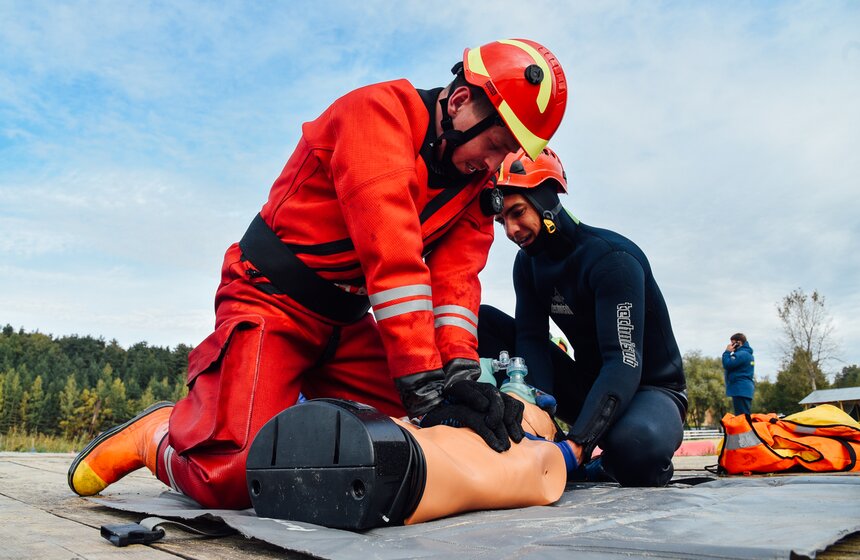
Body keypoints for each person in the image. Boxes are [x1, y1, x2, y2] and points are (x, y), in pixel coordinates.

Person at [67, 39, 569, 512]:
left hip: (344, 326)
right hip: (270, 302)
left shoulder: (477, 183)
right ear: (459, 102)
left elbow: (456, 285)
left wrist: (459, 376)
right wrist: (426, 387)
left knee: (427, 435)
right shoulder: (376, 115)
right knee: (232, 477)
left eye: (508, 154)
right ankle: (156, 435)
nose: (495, 164)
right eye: (496, 144)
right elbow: (393, 258)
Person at [479, 147, 688, 487]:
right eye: (502, 222)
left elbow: (623, 363)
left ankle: (599, 462)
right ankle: (538, 436)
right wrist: (539, 419)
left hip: (649, 390)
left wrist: (576, 448)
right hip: (590, 385)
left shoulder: (612, 259)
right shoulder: (528, 264)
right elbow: (531, 340)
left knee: (637, 448)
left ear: (545, 201)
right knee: (483, 321)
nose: (511, 231)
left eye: (518, 213)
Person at [722, 333, 755, 415]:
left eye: (733, 343)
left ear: (739, 343)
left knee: (742, 417)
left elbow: (727, 364)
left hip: (740, 388)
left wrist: (727, 352)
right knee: (743, 416)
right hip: (744, 389)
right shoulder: (747, 354)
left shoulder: (742, 354)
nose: (731, 345)